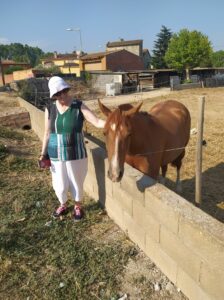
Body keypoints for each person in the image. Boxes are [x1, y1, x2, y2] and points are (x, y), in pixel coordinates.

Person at [39, 76, 105, 221]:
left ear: (67, 89)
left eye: (63, 91)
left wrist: (114, 124)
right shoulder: (50, 108)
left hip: (76, 153)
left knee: (76, 181)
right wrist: (43, 154)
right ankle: (62, 204)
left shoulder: (78, 105)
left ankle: (77, 206)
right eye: (57, 94)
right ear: (53, 95)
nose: (61, 96)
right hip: (55, 153)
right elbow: (47, 132)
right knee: (60, 184)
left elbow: (97, 121)